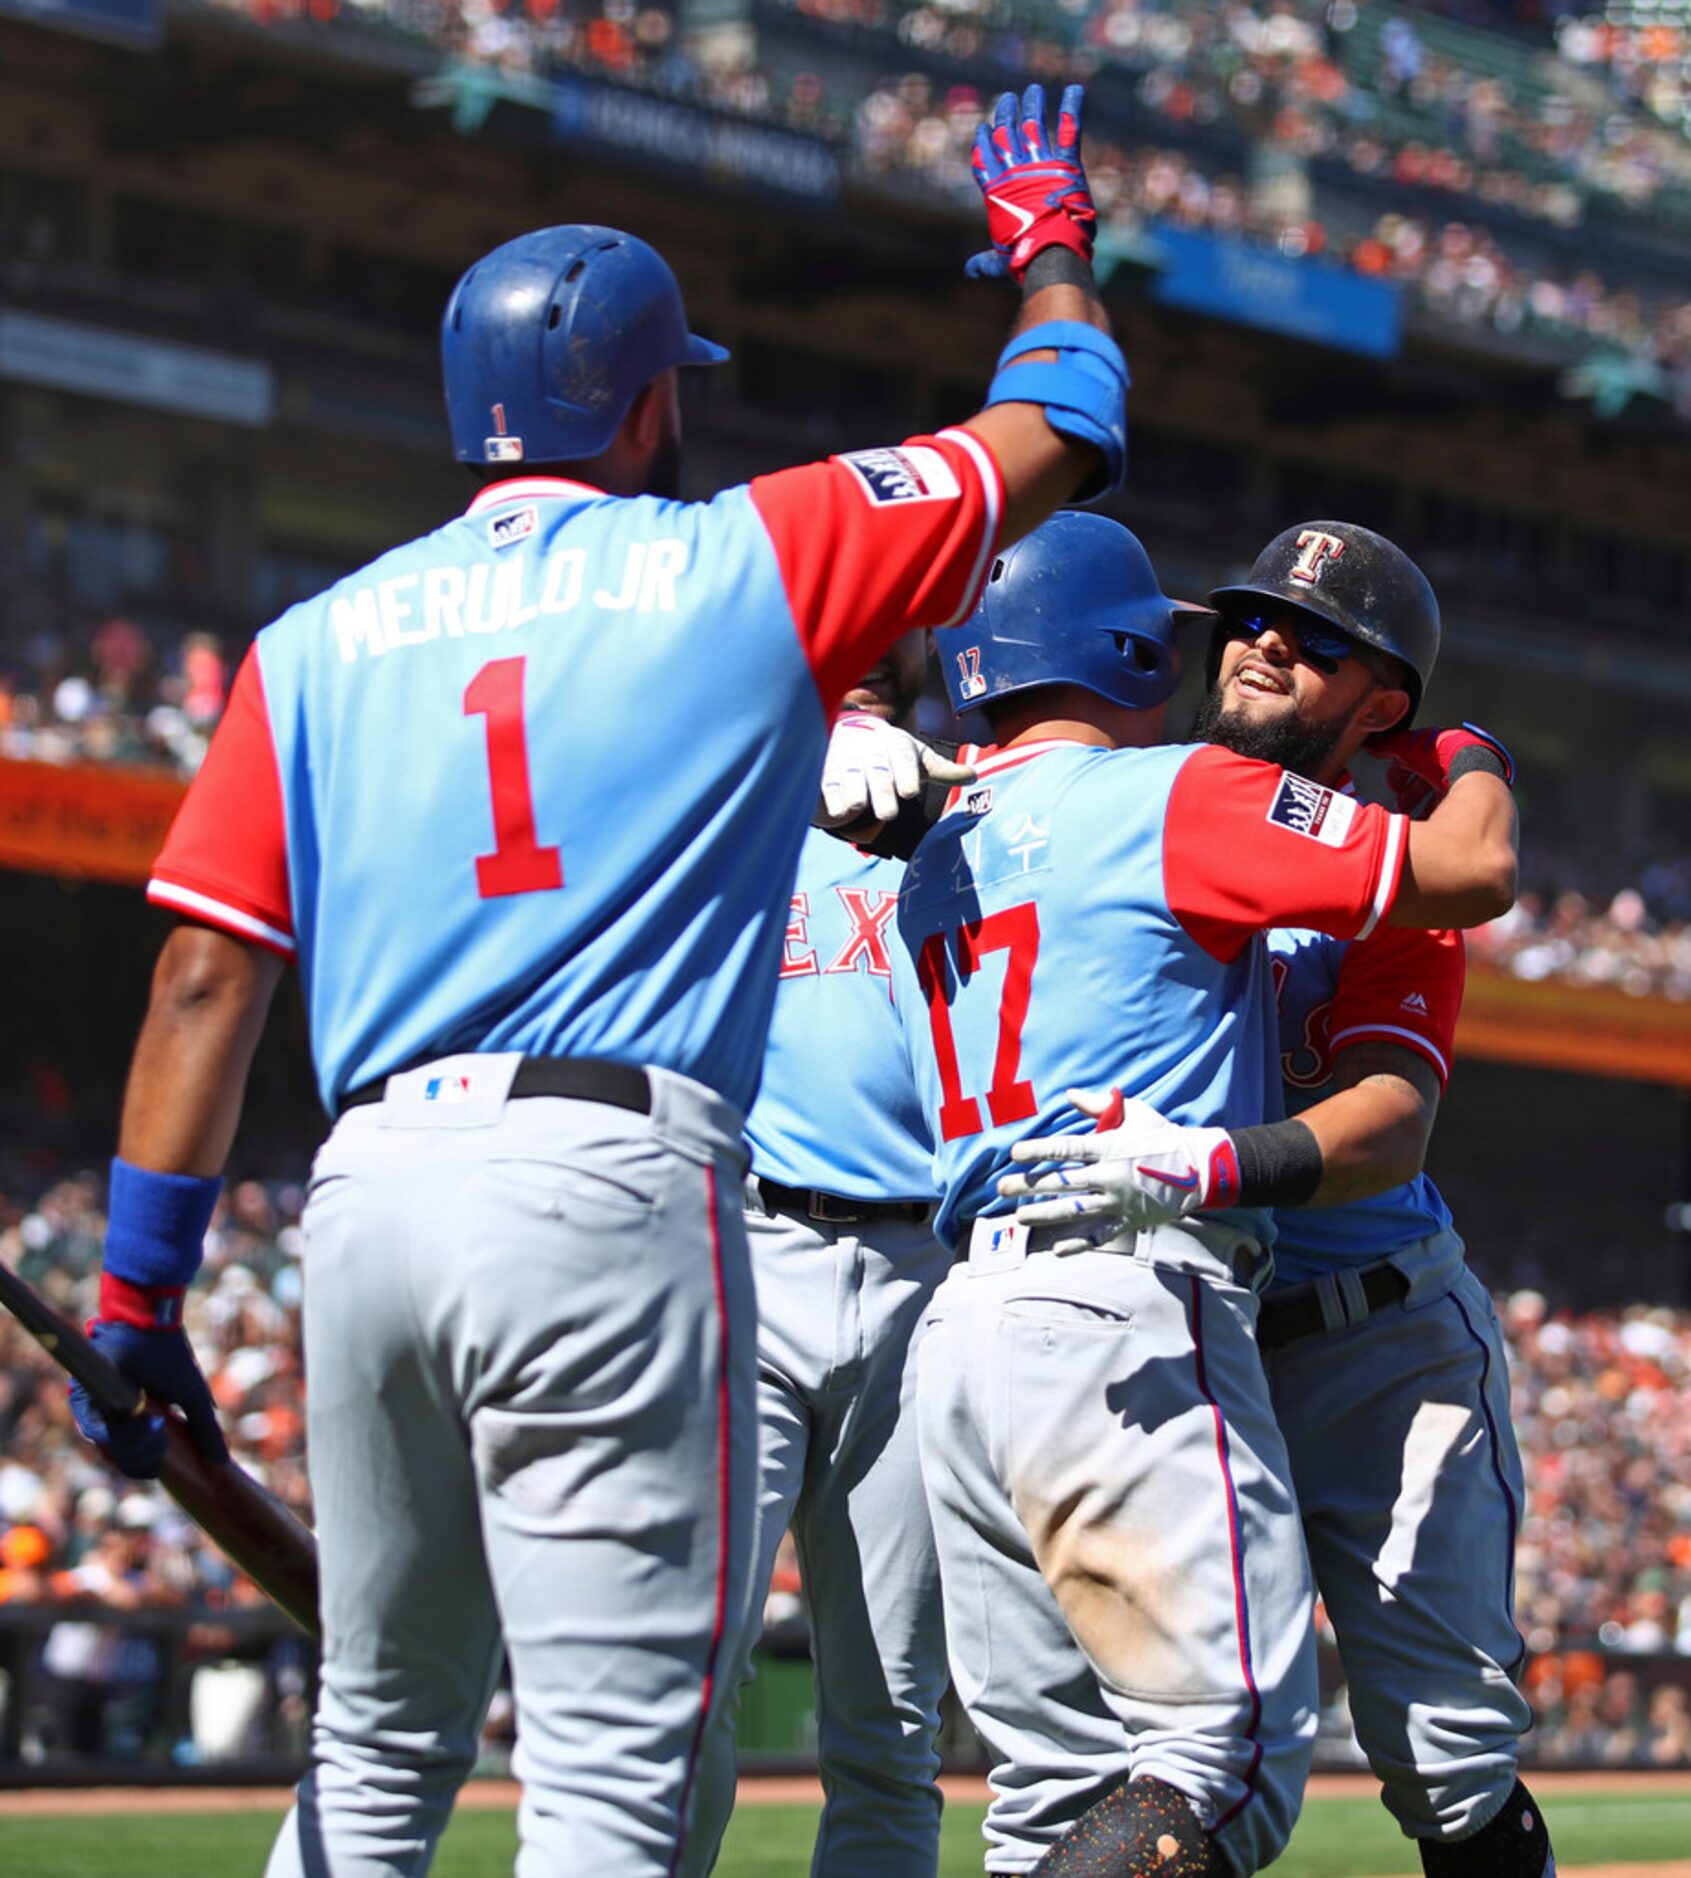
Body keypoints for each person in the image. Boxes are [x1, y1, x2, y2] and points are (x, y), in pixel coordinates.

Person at [66, 80, 1125, 1876]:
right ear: (645, 399)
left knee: (378, 1739)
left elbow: (197, 985)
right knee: (616, 1776)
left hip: (369, 1188)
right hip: (607, 1180)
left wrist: (132, 1300)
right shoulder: (744, 558)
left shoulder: (311, 639)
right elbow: (1066, 421)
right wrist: (1050, 251)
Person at [889, 511, 1517, 1876]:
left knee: (1443, 1756)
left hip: (1363, 1334)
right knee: (1188, 1763)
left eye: (1320, 637)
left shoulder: (1328, 851)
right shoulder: (1163, 795)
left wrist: (1211, 1162)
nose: (1263, 640)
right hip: (1156, 1310)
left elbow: (1390, 1122)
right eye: (1244, 618)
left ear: (1382, 701)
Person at [686, 633, 965, 1877]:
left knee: (890, 1723)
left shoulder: (974, 819)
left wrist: (956, 787)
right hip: (751, 1246)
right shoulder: (727, 800)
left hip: (928, 1271)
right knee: (678, 1685)